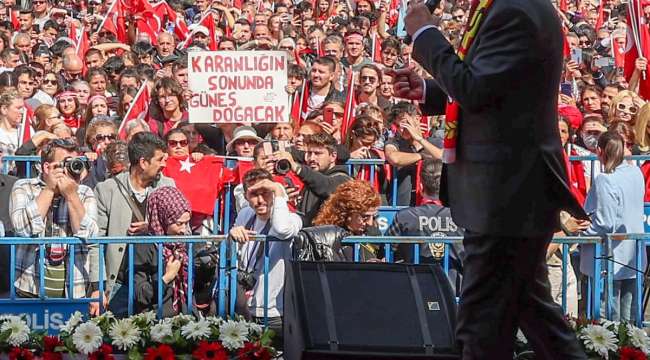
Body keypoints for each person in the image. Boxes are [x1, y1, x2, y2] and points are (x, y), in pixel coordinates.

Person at [392, 0, 589, 357]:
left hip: (506, 195)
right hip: (510, 193)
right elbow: (499, 93)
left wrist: (425, 33)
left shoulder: (514, 10)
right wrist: (427, 92)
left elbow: (476, 89)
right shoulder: (507, 7)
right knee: (536, 319)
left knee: (480, 325)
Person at [9, 138, 103, 314]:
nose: (71, 168)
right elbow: (24, 228)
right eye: (65, 164)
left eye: (75, 163)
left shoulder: (83, 192)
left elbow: (89, 235)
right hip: (30, 287)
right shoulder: (23, 187)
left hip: (74, 288)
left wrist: (71, 196)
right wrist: (50, 189)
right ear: (47, 167)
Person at [94, 132, 175, 300]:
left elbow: (183, 229)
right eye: (159, 160)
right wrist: (98, 287)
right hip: (118, 284)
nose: (164, 165)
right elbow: (96, 242)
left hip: (157, 281)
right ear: (143, 162)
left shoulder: (168, 186)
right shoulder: (106, 190)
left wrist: (152, 226)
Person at [229, 168, 302, 343]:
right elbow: (232, 249)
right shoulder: (246, 214)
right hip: (245, 308)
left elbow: (282, 230)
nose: (260, 200)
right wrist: (233, 232)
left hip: (276, 312)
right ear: (246, 197)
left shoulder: (293, 219)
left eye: (265, 193)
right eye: (254, 194)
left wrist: (277, 190)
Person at [580, 132, 645, 323]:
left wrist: (582, 233)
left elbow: (605, 222)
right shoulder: (636, 172)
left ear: (599, 151)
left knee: (609, 321)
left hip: (609, 258)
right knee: (629, 321)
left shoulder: (604, 179)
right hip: (632, 257)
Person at [386, 159, 464, 294]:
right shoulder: (464, 216)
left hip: (415, 293)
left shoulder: (404, 216)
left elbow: (387, 250)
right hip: (455, 292)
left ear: (421, 186)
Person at [128, 186, 192, 317]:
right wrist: (166, 278)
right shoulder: (143, 246)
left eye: (187, 223)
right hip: (156, 322)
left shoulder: (186, 244)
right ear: (162, 218)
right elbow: (139, 294)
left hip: (186, 320)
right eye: (179, 223)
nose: (183, 230)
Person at [274, 132, 351, 227]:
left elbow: (326, 186)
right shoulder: (311, 179)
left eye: (318, 153)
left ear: (333, 156)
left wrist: (296, 167)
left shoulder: (343, 180)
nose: (312, 158)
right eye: (309, 153)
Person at [295, 179, 381, 262]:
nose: (370, 223)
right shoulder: (326, 238)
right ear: (347, 213)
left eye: (374, 216)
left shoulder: (373, 233)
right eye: (364, 217)